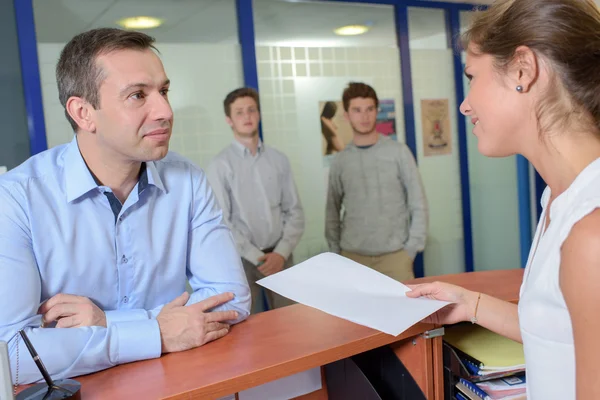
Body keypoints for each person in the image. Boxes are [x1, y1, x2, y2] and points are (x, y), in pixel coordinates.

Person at [0, 28, 251, 384]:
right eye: (138, 95)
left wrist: (106, 323)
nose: (165, 110)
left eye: (164, 91)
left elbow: (232, 299)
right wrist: (157, 333)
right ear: (84, 112)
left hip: (182, 386)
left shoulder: (188, 180)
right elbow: (12, 352)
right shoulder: (15, 199)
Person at [406, 0, 600, 398]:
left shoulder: (591, 232)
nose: (464, 105)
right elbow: (560, 332)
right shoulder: (558, 200)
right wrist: (469, 303)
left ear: (522, 70)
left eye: (472, 76)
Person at [207, 88, 304, 314]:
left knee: (290, 323)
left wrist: (281, 253)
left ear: (259, 114)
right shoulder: (220, 165)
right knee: (249, 328)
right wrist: (257, 257)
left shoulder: (279, 160)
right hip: (243, 261)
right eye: (239, 112)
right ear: (229, 120)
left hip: (282, 257)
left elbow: (295, 211)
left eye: (251, 110)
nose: (247, 116)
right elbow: (222, 221)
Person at [325, 82, 428, 282]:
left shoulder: (399, 152)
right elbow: (332, 211)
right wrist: (337, 253)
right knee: (354, 314)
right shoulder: (341, 161)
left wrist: (411, 250)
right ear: (346, 115)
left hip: (396, 258)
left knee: (403, 314)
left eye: (369, 109)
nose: (364, 116)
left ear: (376, 111)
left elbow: (418, 203)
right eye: (357, 110)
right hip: (352, 258)